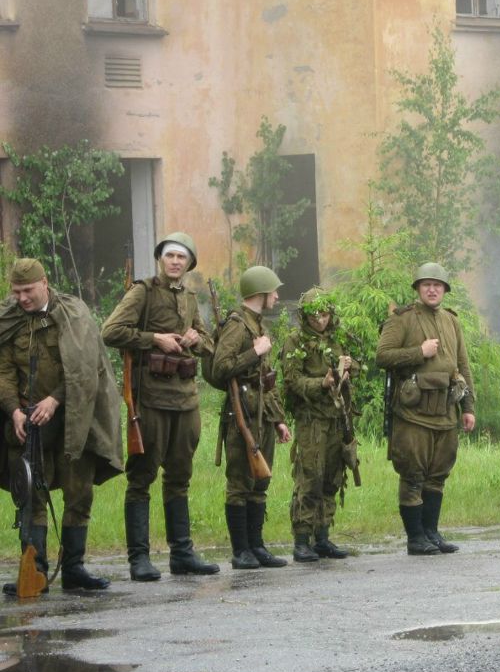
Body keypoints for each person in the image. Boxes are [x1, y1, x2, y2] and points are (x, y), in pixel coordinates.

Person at [102, 232, 220, 581]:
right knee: (141, 478)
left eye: (182, 257)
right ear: (160, 259)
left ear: (189, 264)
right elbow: (111, 331)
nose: (175, 262)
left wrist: (198, 339)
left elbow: (208, 342)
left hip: (185, 400)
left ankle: (181, 553)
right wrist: (154, 338)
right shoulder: (142, 292)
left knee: (180, 477)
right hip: (150, 399)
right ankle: (139, 558)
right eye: (169, 255)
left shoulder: (190, 298)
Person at [1, 258, 122, 595]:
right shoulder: (9, 320)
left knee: (78, 491)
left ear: (45, 283)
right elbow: (4, 372)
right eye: (16, 291)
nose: (22, 298)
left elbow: (86, 369)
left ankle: (74, 569)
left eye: (28, 290)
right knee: (30, 497)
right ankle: (34, 571)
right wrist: (13, 411)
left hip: (72, 419)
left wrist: (54, 400)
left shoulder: (74, 314)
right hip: (27, 425)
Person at [376, 263, 476, 552]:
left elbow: (463, 367)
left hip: (446, 409)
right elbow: (383, 356)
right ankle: (415, 538)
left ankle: (432, 533)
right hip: (413, 412)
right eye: (426, 285)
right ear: (418, 289)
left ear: (444, 289)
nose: (432, 289)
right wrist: (418, 352)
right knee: (413, 473)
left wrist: (468, 407)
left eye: (437, 285)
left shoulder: (452, 321)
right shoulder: (402, 319)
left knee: (438, 474)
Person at [213, 265, 292, 569]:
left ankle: (257, 546)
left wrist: (279, 419)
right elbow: (221, 368)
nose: (277, 295)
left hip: (261, 415)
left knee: (260, 482)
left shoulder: (258, 325)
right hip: (241, 415)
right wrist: (254, 352)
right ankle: (240, 550)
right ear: (260, 292)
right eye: (273, 290)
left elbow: (266, 380)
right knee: (240, 483)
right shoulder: (237, 325)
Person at [281, 287, 355, 562]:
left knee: (332, 477)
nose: (320, 320)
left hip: (337, 417)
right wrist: (320, 384)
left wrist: (348, 367)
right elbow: (291, 382)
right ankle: (302, 538)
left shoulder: (337, 339)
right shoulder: (295, 342)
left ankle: (322, 536)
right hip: (311, 419)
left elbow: (353, 366)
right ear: (305, 316)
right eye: (314, 315)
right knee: (309, 476)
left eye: (324, 314)